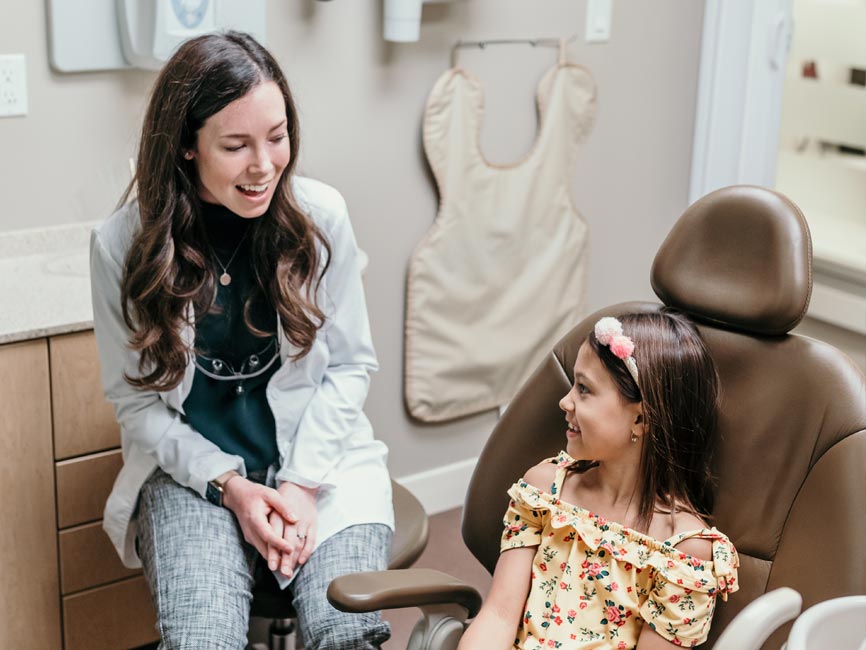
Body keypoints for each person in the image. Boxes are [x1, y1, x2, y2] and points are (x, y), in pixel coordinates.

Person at [90, 31, 393, 649]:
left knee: (347, 635)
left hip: (321, 464)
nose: (265, 165)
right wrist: (231, 487)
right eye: (236, 145)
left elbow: (351, 366)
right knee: (202, 640)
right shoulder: (122, 246)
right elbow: (137, 404)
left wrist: (301, 486)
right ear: (184, 147)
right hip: (192, 476)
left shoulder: (320, 218)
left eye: (277, 137)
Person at [459, 311, 740, 649]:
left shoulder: (683, 553)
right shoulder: (545, 492)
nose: (565, 402)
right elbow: (499, 616)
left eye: (584, 389)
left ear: (641, 418)